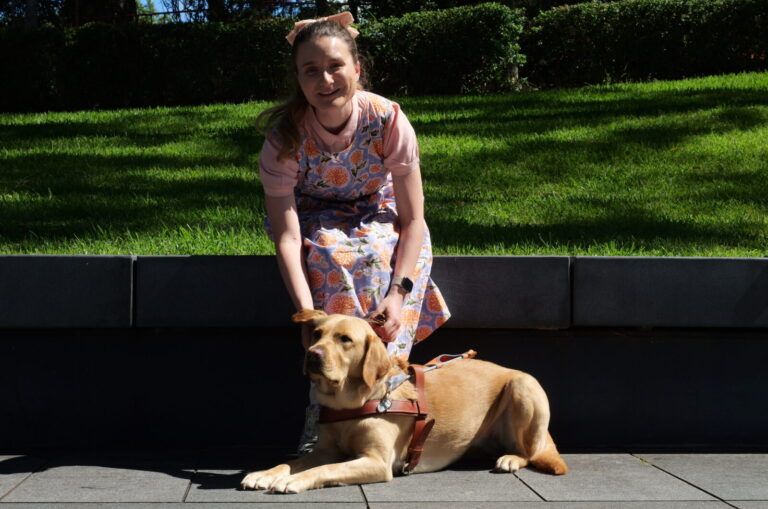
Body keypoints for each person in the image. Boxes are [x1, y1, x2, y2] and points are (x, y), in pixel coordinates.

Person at [256, 12, 451, 453]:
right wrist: (309, 316)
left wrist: (397, 294)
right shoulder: (284, 137)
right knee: (331, 253)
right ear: (298, 79)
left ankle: (385, 410)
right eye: (311, 70)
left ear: (357, 68)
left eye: (335, 66)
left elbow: (414, 220)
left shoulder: (387, 119)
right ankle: (324, 414)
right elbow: (287, 236)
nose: (325, 80)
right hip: (315, 218)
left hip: (379, 212)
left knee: (379, 256)